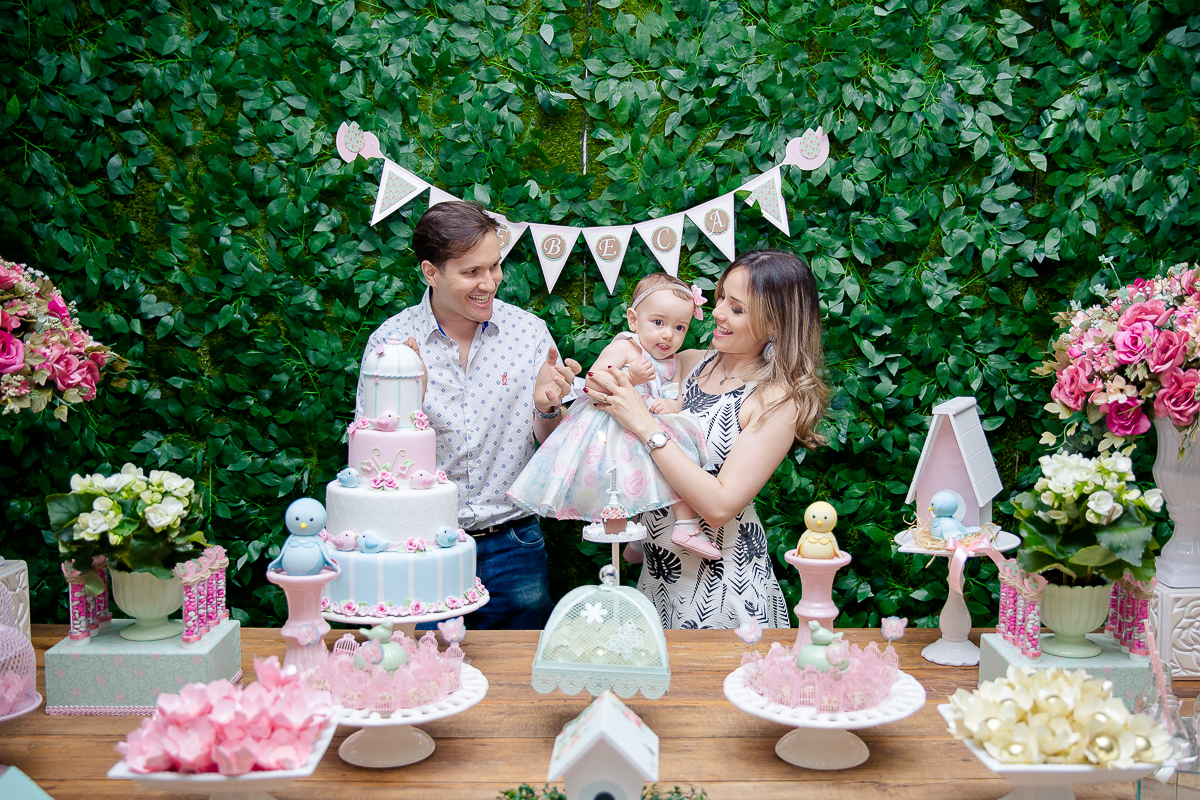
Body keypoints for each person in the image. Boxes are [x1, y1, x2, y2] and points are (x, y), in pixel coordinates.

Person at [357, 201, 579, 629]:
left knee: (519, 682)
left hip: (515, 543)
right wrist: (407, 411)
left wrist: (547, 407)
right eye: (471, 272)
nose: (490, 283)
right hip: (421, 548)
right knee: (426, 678)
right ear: (431, 272)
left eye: (494, 267)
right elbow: (374, 467)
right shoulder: (391, 344)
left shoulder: (528, 332)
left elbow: (554, 448)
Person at [585, 249, 827, 629]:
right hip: (659, 574)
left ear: (775, 325)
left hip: (724, 589)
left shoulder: (775, 399)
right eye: (720, 299)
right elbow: (610, 391)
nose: (717, 313)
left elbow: (719, 505)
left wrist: (646, 425)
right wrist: (557, 398)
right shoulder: (689, 364)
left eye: (737, 308)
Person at [506, 273, 717, 557]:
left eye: (679, 327)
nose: (668, 334)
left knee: (668, 467)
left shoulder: (673, 361)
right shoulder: (626, 346)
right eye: (658, 323)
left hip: (647, 425)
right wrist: (631, 375)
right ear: (633, 319)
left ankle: (679, 526)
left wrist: (671, 407)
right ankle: (636, 532)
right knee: (616, 480)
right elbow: (593, 382)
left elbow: (673, 395)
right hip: (612, 427)